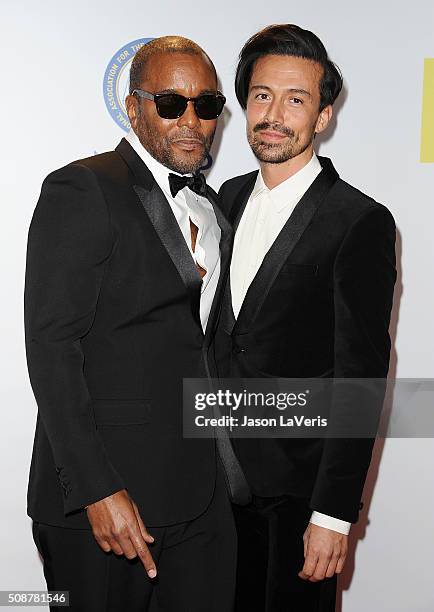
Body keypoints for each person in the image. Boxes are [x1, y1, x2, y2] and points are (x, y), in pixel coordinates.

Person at [24, 35, 246, 612]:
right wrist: (96, 489)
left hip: (199, 497)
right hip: (107, 502)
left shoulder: (213, 209)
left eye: (207, 104)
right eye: (170, 104)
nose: (191, 121)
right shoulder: (85, 188)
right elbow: (52, 347)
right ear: (134, 108)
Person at [215, 24, 397, 611]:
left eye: (297, 100)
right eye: (262, 96)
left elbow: (361, 377)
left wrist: (334, 514)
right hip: (211, 485)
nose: (275, 114)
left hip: (298, 501)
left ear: (322, 117)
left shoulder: (359, 221)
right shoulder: (225, 200)